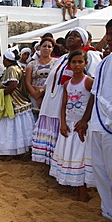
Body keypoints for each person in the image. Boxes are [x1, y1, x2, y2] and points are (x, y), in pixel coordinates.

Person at [32, 27, 100, 165]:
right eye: (69, 35)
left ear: (83, 42)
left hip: (74, 106)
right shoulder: (63, 58)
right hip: (52, 102)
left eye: (76, 36)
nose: (70, 37)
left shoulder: (90, 56)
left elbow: (92, 84)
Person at [74, 19, 112, 221]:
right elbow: (95, 94)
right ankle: (108, 211)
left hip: (110, 126)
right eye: (108, 34)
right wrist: (85, 120)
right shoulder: (105, 62)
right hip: (98, 124)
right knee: (100, 169)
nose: (109, 38)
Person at [50, 50, 94, 202]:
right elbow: (63, 105)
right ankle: (75, 191)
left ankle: (83, 193)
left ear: (85, 63)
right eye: (74, 62)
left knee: (80, 158)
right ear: (69, 64)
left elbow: (92, 101)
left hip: (81, 127)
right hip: (69, 125)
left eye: (80, 62)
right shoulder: (67, 84)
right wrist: (62, 123)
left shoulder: (89, 82)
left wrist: (85, 121)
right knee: (70, 157)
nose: (76, 65)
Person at [0, 46, 35, 161]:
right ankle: (18, 152)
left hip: (14, 103)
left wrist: (1, 93)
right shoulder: (15, 67)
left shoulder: (11, 69)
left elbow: (12, 85)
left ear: (5, 59)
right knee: (18, 130)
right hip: (18, 103)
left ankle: (10, 152)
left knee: (9, 129)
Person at [25, 38, 58, 110]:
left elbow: (56, 79)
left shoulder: (57, 63)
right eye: (44, 46)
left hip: (50, 95)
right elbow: (27, 83)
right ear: (39, 47)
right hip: (34, 96)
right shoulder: (32, 64)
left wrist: (42, 92)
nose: (46, 48)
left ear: (52, 48)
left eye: (49, 46)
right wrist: (36, 96)